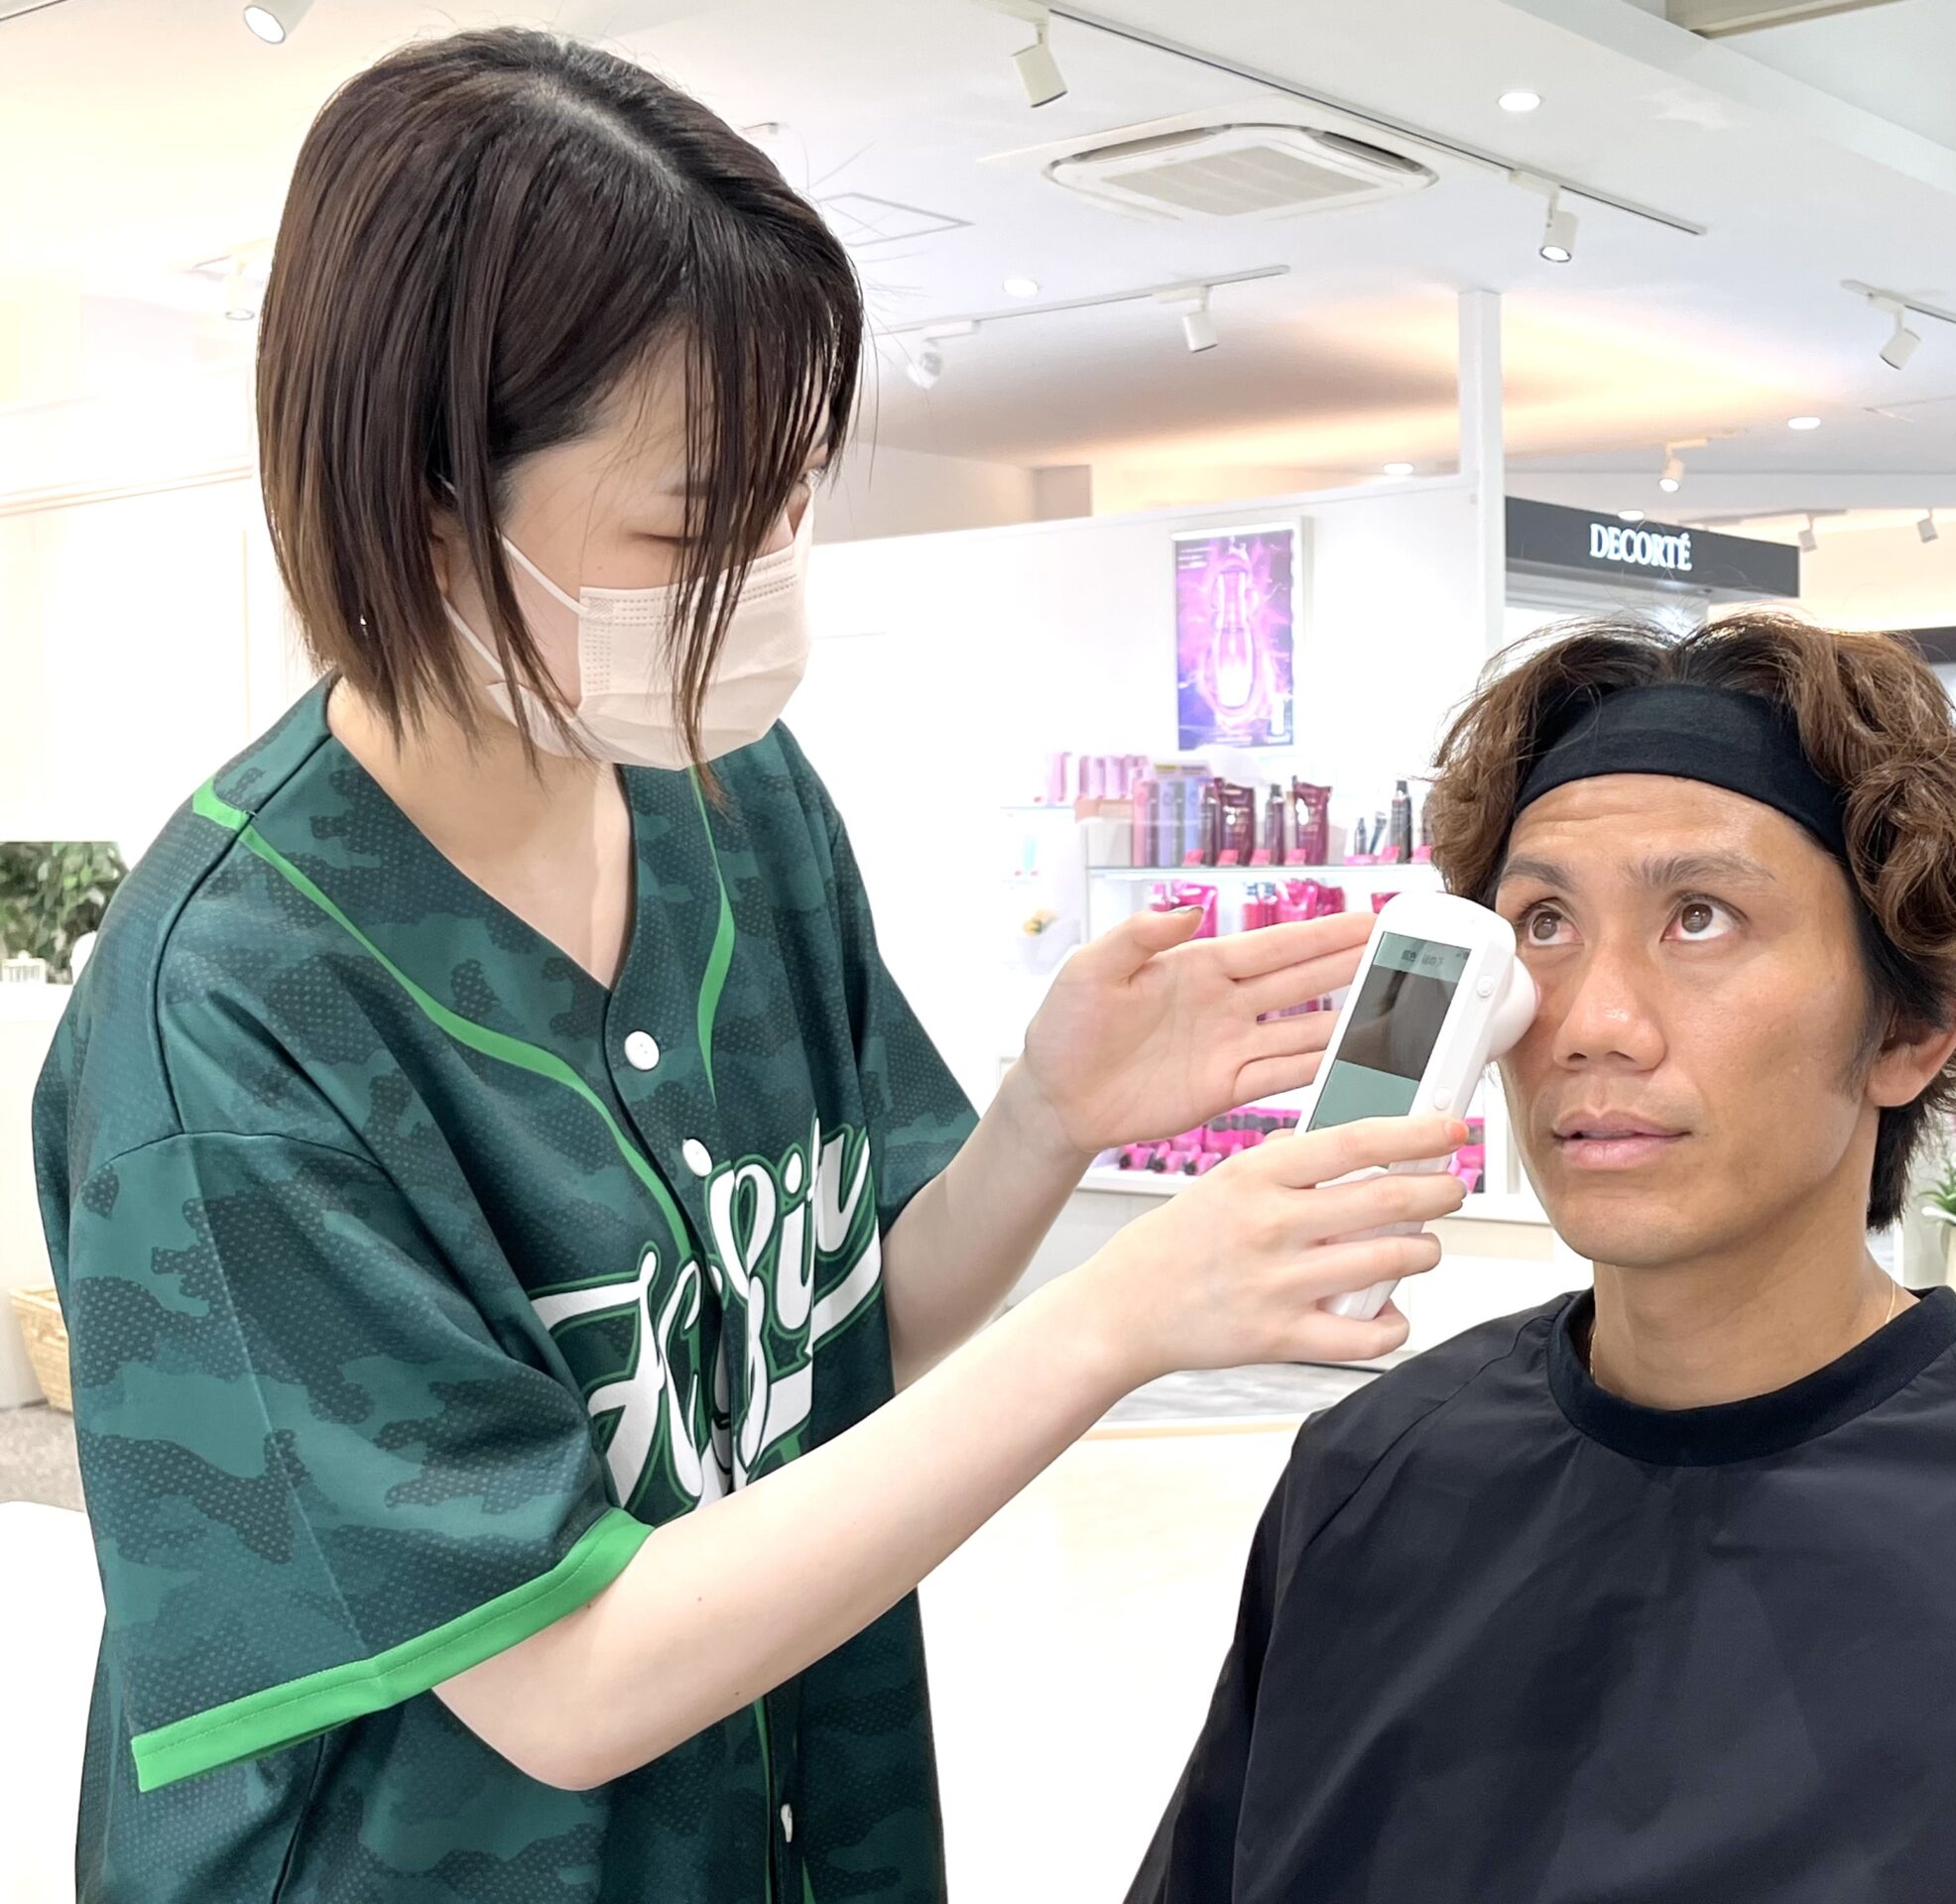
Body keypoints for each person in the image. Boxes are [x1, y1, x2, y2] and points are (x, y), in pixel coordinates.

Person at [32, 30, 1466, 1904]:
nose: (771, 571)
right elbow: (567, 1680)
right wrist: (1116, 1319)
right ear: (430, 499)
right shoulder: (227, 1014)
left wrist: (1046, 1122)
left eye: (794, 500)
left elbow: (835, 1350)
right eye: (701, 523)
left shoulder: (734, 804)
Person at [1132, 610, 1956, 1903]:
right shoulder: (1366, 1477)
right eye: (1545, 923)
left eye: (1701, 918)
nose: (1594, 1024)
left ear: (1911, 1028)